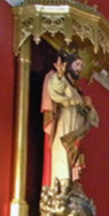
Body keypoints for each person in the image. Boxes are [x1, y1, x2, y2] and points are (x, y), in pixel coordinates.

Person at [41, 49, 99, 190]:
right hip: (64, 125)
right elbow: (55, 91)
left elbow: (94, 120)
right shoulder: (60, 80)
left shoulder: (78, 92)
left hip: (76, 133)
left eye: (82, 66)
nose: (80, 69)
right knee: (62, 157)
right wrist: (60, 75)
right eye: (77, 64)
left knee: (71, 161)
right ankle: (61, 188)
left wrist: (90, 107)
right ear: (68, 65)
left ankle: (70, 188)